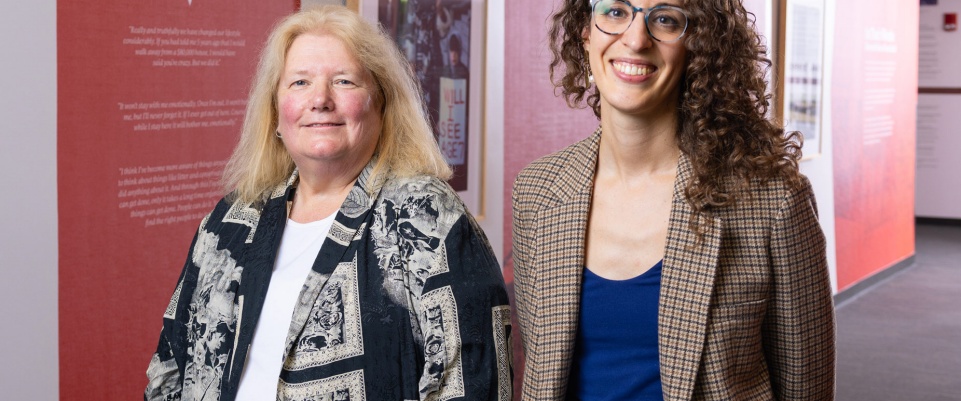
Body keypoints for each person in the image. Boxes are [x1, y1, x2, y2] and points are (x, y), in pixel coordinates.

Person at [145, 6, 512, 401]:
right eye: (300, 82)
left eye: (343, 81)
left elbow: (474, 383)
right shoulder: (230, 222)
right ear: (276, 113)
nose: (320, 100)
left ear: (382, 102)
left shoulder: (425, 218)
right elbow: (169, 369)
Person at [511, 0, 835, 400]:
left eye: (664, 20)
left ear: (698, 44)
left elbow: (807, 388)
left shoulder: (771, 201)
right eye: (615, 12)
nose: (635, 38)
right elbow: (541, 370)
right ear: (585, 32)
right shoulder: (537, 192)